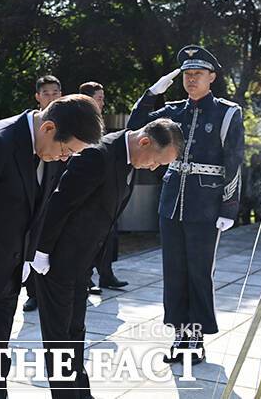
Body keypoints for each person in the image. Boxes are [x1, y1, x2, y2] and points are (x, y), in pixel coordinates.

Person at [0, 94, 104, 399]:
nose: (65, 158)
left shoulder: (48, 152)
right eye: (66, 149)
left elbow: (40, 208)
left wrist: (27, 257)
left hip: (8, 272)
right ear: (49, 128)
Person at [31, 118, 184, 398]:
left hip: (81, 262)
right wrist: (41, 251)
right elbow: (60, 202)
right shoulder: (97, 154)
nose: (154, 168)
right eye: (157, 161)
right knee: (59, 339)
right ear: (145, 142)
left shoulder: (128, 159)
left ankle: (81, 393)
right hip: (57, 261)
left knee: (75, 331)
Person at [127, 45, 245, 364]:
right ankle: (179, 335)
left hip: (205, 205)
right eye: (187, 74)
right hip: (172, 203)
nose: (191, 79)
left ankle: (195, 339)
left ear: (212, 77)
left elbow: (234, 160)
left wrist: (228, 207)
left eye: (198, 74)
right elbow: (135, 128)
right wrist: (153, 93)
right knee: (174, 272)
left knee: (199, 273)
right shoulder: (173, 111)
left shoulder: (227, 113)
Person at [79, 81, 129, 293]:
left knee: (109, 234)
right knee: (88, 236)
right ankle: (86, 277)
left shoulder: (99, 121)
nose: (102, 103)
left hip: (107, 188)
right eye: (99, 98)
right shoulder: (80, 122)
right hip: (88, 190)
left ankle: (106, 275)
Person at [23, 75, 64, 312]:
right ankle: (32, 293)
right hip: (32, 193)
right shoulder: (28, 126)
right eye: (46, 93)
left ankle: (49, 290)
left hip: (56, 194)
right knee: (31, 241)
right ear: (37, 97)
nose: (51, 97)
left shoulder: (67, 123)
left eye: (55, 92)